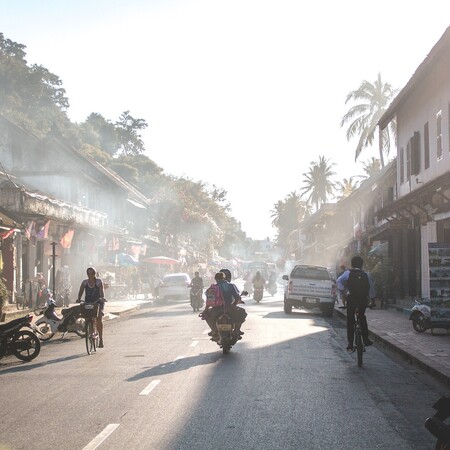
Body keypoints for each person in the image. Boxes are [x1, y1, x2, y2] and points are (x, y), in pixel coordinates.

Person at [337, 256, 375, 351]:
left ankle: (350, 343)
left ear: (352, 264)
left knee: (350, 320)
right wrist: (372, 299)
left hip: (351, 299)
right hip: (362, 300)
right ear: (362, 265)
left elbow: (338, 281)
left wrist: (343, 290)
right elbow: (371, 288)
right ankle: (366, 339)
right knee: (362, 317)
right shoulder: (366, 274)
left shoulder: (348, 273)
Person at [201, 271, 246, 341]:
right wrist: (233, 305)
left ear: (216, 279)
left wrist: (206, 310)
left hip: (216, 309)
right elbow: (237, 298)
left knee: (207, 316)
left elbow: (209, 301)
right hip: (229, 308)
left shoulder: (213, 288)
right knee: (242, 313)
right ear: (224, 278)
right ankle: (236, 330)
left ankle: (214, 331)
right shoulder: (231, 286)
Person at [77, 267, 106, 348]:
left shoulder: (98, 281)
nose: (90, 275)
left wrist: (102, 297)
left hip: (98, 302)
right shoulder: (85, 282)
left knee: (98, 318)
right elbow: (81, 291)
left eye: (92, 273)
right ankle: (89, 330)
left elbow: (101, 290)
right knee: (87, 317)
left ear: (94, 273)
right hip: (88, 302)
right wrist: (78, 298)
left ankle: (100, 339)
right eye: (89, 273)